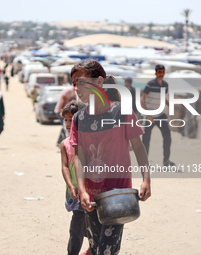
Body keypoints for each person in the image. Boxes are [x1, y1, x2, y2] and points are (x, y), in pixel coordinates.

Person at [69, 59, 151, 255]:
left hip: (118, 198)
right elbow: (78, 158)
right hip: (91, 198)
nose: (76, 88)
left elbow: (139, 148)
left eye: (80, 81)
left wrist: (146, 179)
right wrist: (82, 190)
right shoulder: (78, 119)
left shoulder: (121, 113)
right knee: (97, 247)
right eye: (73, 84)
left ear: (98, 82)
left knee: (105, 250)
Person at [60, 100, 89, 255]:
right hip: (76, 193)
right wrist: (71, 185)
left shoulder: (90, 141)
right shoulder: (65, 144)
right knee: (76, 228)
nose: (69, 123)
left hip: (91, 192)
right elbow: (65, 166)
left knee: (90, 227)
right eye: (66, 120)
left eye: (72, 120)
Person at [140, 64, 175, 166]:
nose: (161, 74)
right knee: (146, 138)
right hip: (149, 114)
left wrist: (170, 106)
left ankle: (166, 160)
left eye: (163, 72)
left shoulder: (165, 85)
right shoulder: (150, 84)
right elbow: (142, 99)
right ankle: (144, 162)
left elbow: (162, 97)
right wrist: (148, 115)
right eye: (159, 72)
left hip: (160, 115)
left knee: (167, 136)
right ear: (156, 73)